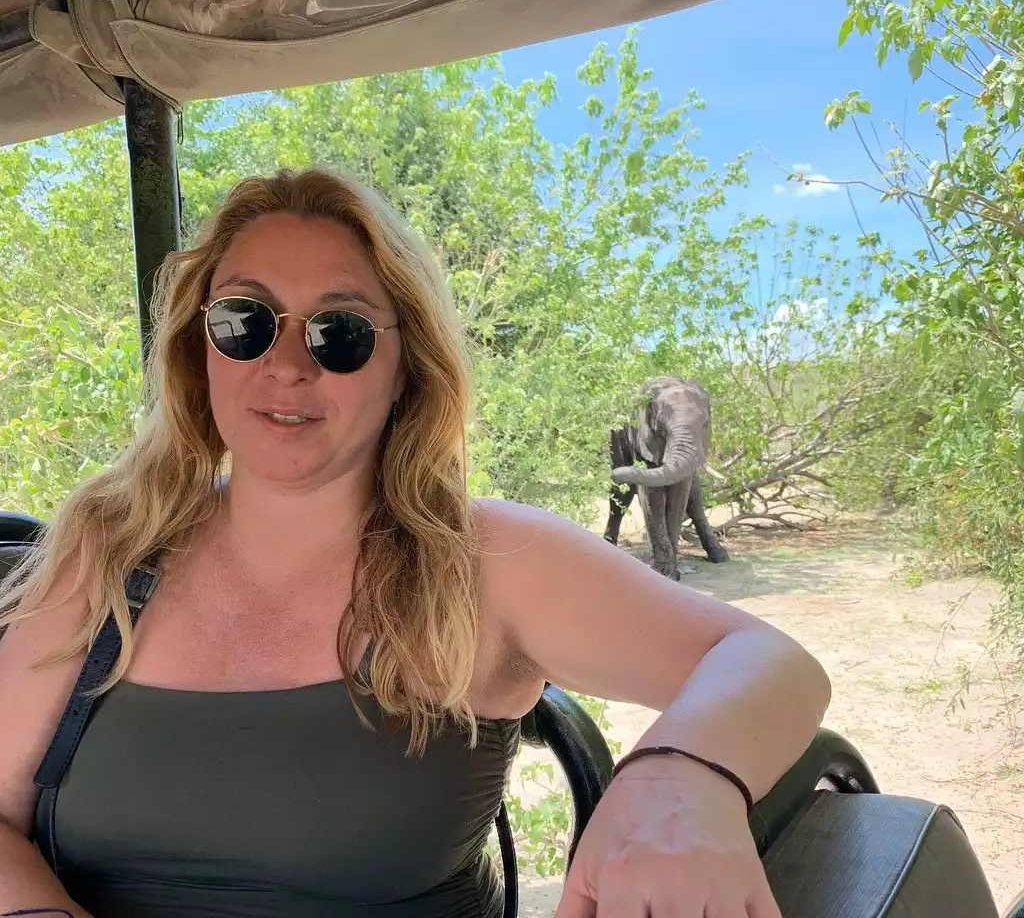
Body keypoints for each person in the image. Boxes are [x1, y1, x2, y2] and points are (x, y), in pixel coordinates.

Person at [0, 168, 831, 918]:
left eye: (340, 333)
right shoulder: (112, 547)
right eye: (244, 321)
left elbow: (768, 661)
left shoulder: (482, 561)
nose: (286, 364)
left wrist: (678, 774)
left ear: (405, 368)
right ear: (200, 346)